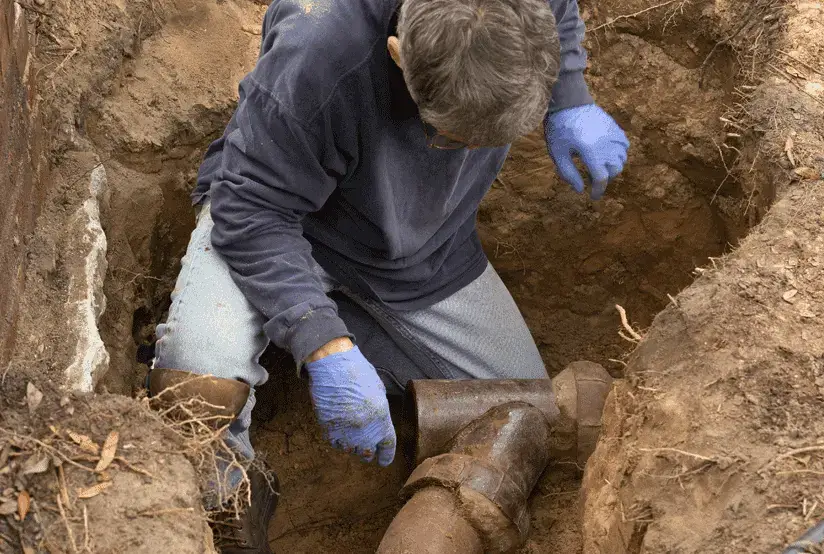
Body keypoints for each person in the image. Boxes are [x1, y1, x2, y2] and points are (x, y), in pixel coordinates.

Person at [148, 0, 629, 550]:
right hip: (281, 220)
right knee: (198, 384)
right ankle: (227, 506)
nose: (472, 150)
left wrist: (570, 99)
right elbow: (252, 209)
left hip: (418, 250)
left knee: (529, 416)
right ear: (398, 55)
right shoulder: (319, 47)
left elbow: (560, 12)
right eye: (451, 137)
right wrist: (323, 347)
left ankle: (357, 325)